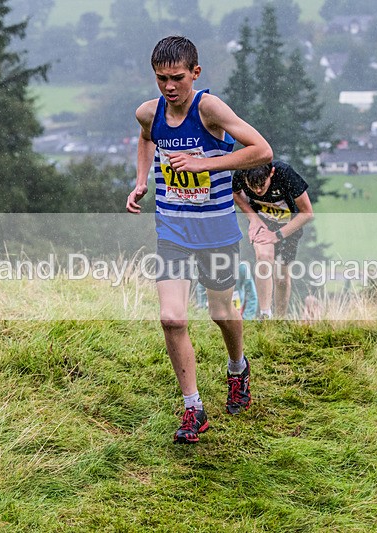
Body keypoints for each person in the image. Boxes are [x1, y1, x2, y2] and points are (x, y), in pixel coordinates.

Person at [126, 36, 272, 444]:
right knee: (172, 318)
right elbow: (145, 137)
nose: (169, 88)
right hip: (172, 231)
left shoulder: (208, 108)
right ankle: (194, 410)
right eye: (161, 79)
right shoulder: (148, 113)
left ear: (195, 73)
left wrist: (205, 164)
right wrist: (141, 183)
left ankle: (237, 368)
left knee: (221, 311)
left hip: (216, 231)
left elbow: (261, 150)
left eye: (177, 78)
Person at [232, 161, 314, 318]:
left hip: (290, 224)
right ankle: (265, 315)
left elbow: (307, 213)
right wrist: (253, 218)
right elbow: (236, 193)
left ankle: (280, 318)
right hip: (263, 221)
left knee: (281, 277)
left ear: (271, 173)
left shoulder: (285, 174)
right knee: (263, 257)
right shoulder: (241, 174)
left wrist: (277, 235)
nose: (257, 190)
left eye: (262, 185)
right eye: (252, 186)